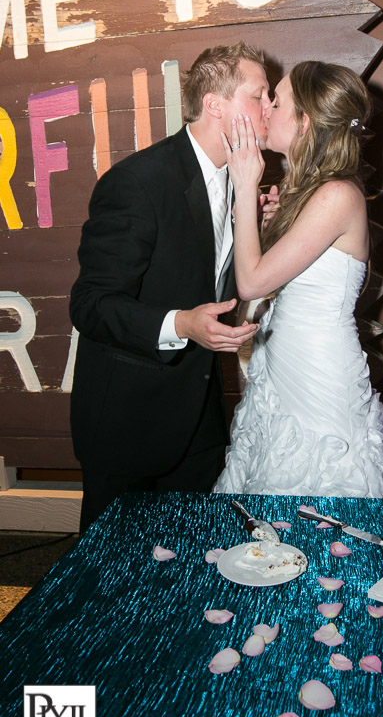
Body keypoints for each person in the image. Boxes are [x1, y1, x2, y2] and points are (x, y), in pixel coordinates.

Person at [70, 41, 274, 531]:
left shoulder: (241, 180)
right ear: (215, 105)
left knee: (191, 571)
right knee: (113, 581)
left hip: (198, 421)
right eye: (259, 95)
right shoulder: (138, 182)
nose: (270, 108)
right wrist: (180, 324)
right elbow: (90, 305)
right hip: (127, 422)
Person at [214, 61, 383, 498]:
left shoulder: (336, 194)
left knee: (319, 488)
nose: (264, 109)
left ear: (304, 121)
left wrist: (245, 185)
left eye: (276, 101)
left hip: (317, 370)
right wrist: (268, 224)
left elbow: (251, 284)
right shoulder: (305, 193)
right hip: (283, 364)